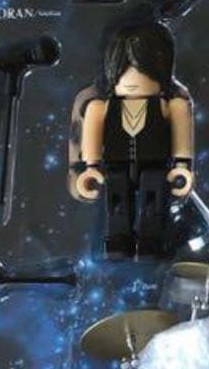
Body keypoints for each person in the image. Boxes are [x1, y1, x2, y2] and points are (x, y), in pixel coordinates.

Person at [75, 22, 193, 259]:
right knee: (116, 206)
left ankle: (151, 243)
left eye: (140, 68)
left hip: (155, 168)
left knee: (153, 206)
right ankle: (118, 243)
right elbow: (91, 137)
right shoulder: (101, 107)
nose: (131, 77)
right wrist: (90, 167)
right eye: (123, 68)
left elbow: (182, 135)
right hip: (116, 168)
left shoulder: (170, 106)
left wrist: (182, 166)